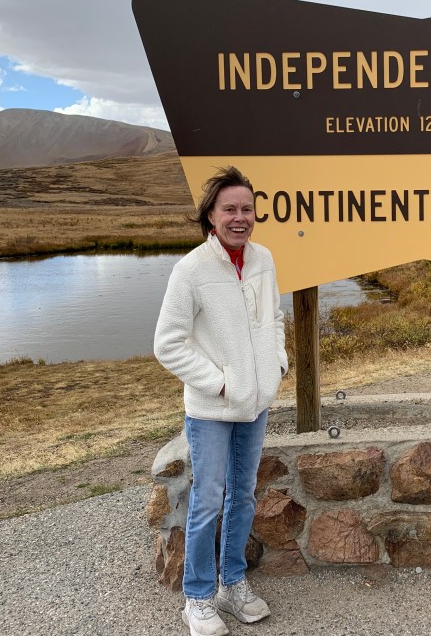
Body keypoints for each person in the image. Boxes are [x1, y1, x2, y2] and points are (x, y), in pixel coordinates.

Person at [154, 165, 288, 636]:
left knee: (243, 495)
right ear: (211, 216)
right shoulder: (190, 270)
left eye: (247, 209)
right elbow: (167, 344)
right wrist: (221, 383)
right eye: (229, 209)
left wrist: (276, 364)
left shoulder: (263, 259)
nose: (240, 217)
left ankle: (232, 584)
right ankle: (197, 598)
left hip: (255, 404)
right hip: (212, 409)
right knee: (207, 500)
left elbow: (273, 318)